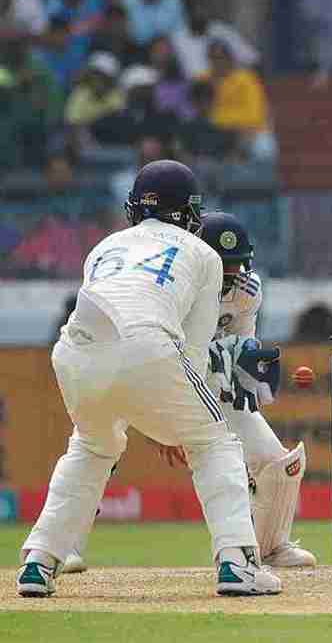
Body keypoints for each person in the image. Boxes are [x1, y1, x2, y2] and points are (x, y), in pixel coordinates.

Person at [16, 160, 281, 597]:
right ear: (192, 212)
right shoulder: (205, 255)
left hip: (73, 352)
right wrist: (173, 425)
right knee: (215, 441)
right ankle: (239, 563)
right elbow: (191, 356)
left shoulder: (103, 247)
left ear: (136, 207)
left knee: (92, 445)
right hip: (148, 346)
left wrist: (164, 417)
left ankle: (39, 561)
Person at [62, 212, 316, 574]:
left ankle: (270, 547)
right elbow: (159, 356)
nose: (231, 278)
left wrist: (246, 377)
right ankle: (64, 546)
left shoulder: (247, 291)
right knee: (98, 449)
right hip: (142, 371)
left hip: (203, 382)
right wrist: (167, 425)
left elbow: (240, 347)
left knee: (279, 463)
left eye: (237, 267)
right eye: (224, 269)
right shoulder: (177, 285)